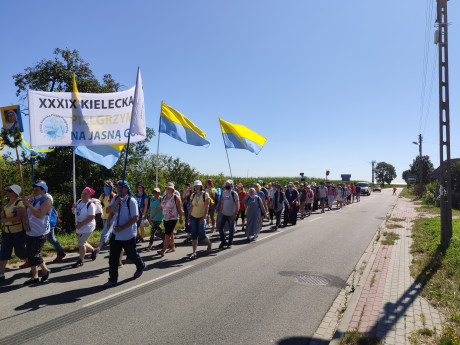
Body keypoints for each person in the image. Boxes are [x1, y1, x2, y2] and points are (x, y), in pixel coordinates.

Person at [104, 180, 145, 288]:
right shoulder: (116, 198)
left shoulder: (131, 201)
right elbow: (109, 211)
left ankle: (140, 266)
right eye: (117, 187)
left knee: (131, 255)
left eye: (121, 187)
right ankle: (112, 280)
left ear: (126, 189)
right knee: (113, 258)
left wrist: (122, 228)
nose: (118, 189)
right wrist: (116, 205)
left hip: (128, 234)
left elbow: (135, 218)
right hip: (116, 234)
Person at [21, 182, 52, 285]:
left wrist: (28, 205)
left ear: (43, 191)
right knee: (30, 255)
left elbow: (39, 214)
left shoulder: (46, 201)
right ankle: (34, 276)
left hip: (41, 231)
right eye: (34, 190)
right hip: (30, 231)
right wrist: (25, 224)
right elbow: (26, 212)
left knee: (34, 254)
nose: (35, 192)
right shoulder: (33, 200)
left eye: (37, 190)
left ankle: (45, 269)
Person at [0, 185, 28, 282]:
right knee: (3, 252)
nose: (7, 192)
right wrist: (2, 217)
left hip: (18, 232)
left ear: (15, 192)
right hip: (7, 232)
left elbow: (19, 218)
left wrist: (5, 220)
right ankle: (1, 274)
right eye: (7, 190)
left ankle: (34, 264)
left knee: (20, 252)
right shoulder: (7, 204)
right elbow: (2, 217)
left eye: (9, 191)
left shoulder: (19, 203)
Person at [34, 180, 66, 263]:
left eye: (41, 186)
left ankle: (34, 261)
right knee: (51, 239)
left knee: (44, 241)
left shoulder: (48, 197)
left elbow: (42, 209)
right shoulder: (36, 196)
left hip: (47, 222)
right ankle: (60, 253)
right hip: (38, 223)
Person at [151, 182, 183, 256]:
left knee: (167, 234)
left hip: (173, 218)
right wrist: (154, 214)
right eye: (167, 188)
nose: (168, 189)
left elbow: (180, 209)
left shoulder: (176, 198)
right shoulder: (164, 197)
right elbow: (160, 207)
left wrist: (181, 218)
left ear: (172, 190)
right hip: (165, 218)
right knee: (170, 232)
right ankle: (172, 246)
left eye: (170, 188)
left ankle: (163, 250)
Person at [71, 187, 97, 267]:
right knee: (83, 242)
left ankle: (81, 260)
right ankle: (93, 250)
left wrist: (81, 224)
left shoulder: (90, 204)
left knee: (81, 243)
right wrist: (73, 208)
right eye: (82, 193)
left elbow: (91, 217)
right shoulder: (78, 201)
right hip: (79, 226)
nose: (83, 195)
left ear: (89, 196)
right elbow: (74, 213)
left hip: (87, 226)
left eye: (86, 194)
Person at [186, 180, 212, 259]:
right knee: (193, 234)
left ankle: (209, 244)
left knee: (202, 234)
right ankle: (194, 252)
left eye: (198, 186)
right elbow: (191, 207)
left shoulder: (205, 195)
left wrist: (204, 217)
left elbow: (207, 207)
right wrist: (188, 218)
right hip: (193, 217)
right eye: (195, 186)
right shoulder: (193, 195)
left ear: (201, 186)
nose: (196, 187)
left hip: (201, 217)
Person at [216, 179, 239, 249]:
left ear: (232, 185)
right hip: (224, 213)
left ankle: (230, 242)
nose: (227, 186)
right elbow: (222, 202)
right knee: (220, 227)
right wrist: (220, 211)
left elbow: (237, 204)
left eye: (229, 185)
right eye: (226, 184)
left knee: (231, 229)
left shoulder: (234, 193)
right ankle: (223, 241)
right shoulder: (223, 193)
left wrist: (235, 214)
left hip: (231, 214)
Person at [94, 181, 116, 255]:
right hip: (104, 217)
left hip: (112, 217)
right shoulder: (102, 195)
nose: (105, 187)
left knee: (105, 232)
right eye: (104, 186)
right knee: (110, 234)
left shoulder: (114, 196)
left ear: (111, 187)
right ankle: (117, 246)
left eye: (107, 186)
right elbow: (98, 203)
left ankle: (98, 249)